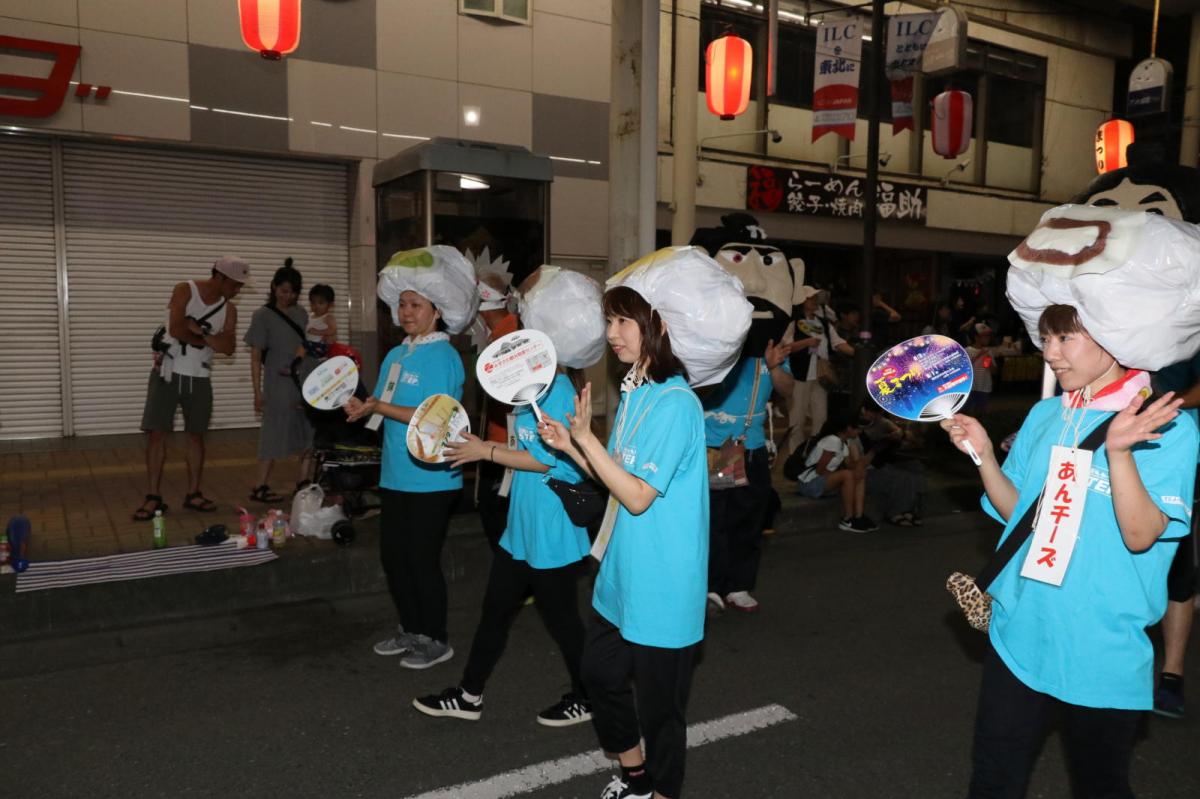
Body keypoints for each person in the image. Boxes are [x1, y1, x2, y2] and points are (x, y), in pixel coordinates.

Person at [943, 304, 1197, 798]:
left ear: (1114, 337)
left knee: (1100, 785)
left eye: (1065, 340)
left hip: (1101, 646)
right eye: (1045, 339)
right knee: (994, 778)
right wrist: (985, 455)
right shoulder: (1045, 414)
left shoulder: (1168, 426)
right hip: (1019, 630)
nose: (1050, 354)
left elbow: (1142, 535)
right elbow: (1020, 510)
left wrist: (1119, 453)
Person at [538, 285, 710, 799]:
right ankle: (635, 778)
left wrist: (588, 438)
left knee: (661, 714)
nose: (611, 335)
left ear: (656, 326)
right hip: (621, 572)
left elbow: (636, 496)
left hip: (663, 583)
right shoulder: (637, 393)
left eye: (622, 322)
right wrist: (572, 446)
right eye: (608, 322)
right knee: (599, 675)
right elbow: (614, 477)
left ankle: (661, 792)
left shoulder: (677, 403)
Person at [412, 368, 593, 727]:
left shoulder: (558, 390)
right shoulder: (532, 388)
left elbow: (547, 459)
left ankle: (589, 697)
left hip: (550, 530)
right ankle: (468, 695)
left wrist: (486, 451)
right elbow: (523, 448)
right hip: (522, 527)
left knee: (564, 623)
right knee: (495, 611)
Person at [349, 245, 477, 670]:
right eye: (402, 303)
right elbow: (382, 403)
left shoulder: (443, 356)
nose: (406, 311)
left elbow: (435, 416)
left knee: (422, 560)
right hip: (396, 474)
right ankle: (410, 629)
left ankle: (436, 639)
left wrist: (379, 409)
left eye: (415, 304)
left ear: (436, 311)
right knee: (395, 558)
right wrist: (362, 409)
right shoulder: (395, 354)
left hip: (432, 478)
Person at [133, 256, 246, 520]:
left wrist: (201, 334)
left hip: (199, 376)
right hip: (168, 372)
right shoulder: (185, 289)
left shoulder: (229, 310)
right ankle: (153, 496)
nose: (237, 290)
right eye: (235, 283)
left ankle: (193, 493)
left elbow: (228, 348)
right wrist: (209, 340)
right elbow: (176, 328)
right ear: (219, 277)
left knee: (196, 435)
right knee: (157, 434)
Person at [702, 342, 793, 613]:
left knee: (750, 517)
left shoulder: (769, 349)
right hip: (718, 448)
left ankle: (739, 585)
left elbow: (787, 389)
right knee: (717, 519)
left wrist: (774, 366)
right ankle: (712, 586)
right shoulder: (713, 345)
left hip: (752, 448)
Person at [1150, 350, 1200, 719]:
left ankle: (1172, 674)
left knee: (1177, 564)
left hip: (1180, 448)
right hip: (1121, 442)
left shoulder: (1190, 315)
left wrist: (1159, 405)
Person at [245, 261, 314, 503]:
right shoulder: (262, 316)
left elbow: (307, 344)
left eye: (293, 292)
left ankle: (304, 480)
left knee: (310, 429)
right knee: (273, 431)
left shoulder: (301, 314)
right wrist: (257, 391)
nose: (288, 296)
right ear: (274, 287)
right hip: (277, 381)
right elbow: (255, 356)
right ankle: (260, 485)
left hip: (303, 378)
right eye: (284, 290)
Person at [473, 271, 519, 551]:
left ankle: (518, 582)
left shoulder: (509, 337)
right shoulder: (501, 333)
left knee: (498, 515)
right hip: (499, 438)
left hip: (507, 442)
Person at [786, 285, 852, 456]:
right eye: (811, 298)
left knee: (821, 418)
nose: (815, 301)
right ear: (802, 300)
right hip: (801, 375)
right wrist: (806, 343)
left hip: (822, 375)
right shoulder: (793, 322)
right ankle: (796, 455)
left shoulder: (823, 323)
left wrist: (859, 353)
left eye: (815, 298)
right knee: (797, 418)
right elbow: (786, 347)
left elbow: (838, 343)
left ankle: (814, 453)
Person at [794, 412, 877, 532]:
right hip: (809, 483)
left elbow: (850, 465)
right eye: (857, 429)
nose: (859, 432)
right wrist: (842, 477)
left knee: (860, 474)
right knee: (847, 475)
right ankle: (847, 519)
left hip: (822, 481)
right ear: (848, 428)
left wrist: (867, 458)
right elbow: (820, 470)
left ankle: (859, 516)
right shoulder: (832, 441)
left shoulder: (845, 443)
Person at [856, 403, 925, 527]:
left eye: (878, 413)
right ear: (864, 410)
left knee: (915, 469)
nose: (875, 416)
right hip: (872, 464)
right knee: (898, 476)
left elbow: (908, 438)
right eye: (872, 412)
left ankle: (908, 509)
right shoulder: (855, 429)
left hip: (884, 458)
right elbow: (860, 461)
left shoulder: (883, 422)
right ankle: (896, 511)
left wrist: (899, 434)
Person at [301, 283, 337, 357]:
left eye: (321, 303)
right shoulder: (310, 316)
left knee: (303, 346)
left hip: (320, 346)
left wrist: (318, 332)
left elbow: (333, 329)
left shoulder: (328, 317)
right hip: (310, 346)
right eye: (313, 302)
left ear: (330, 305)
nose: (316, 306)